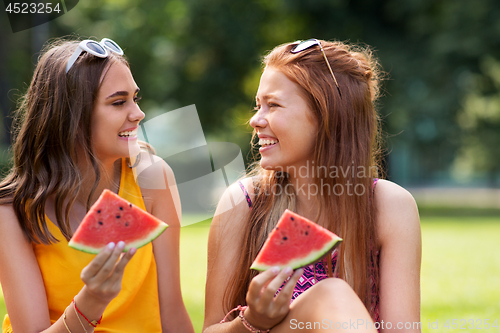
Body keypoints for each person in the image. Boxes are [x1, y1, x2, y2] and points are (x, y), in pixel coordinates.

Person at [203, 39, 421, 333]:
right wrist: (253, 321)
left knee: (333, 295)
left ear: (326, 116)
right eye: (258, 105)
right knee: (332, 294)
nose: (255, 120)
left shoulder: (390, 205)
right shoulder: (243, 202)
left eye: (273, 105)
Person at [0, 38, 194, 333]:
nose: (137, 114)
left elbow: (172, 314)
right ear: (70, 116)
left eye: (135, 98)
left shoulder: (152, 178)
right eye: (118, 102)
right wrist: (92, 301)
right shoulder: (11, 213)